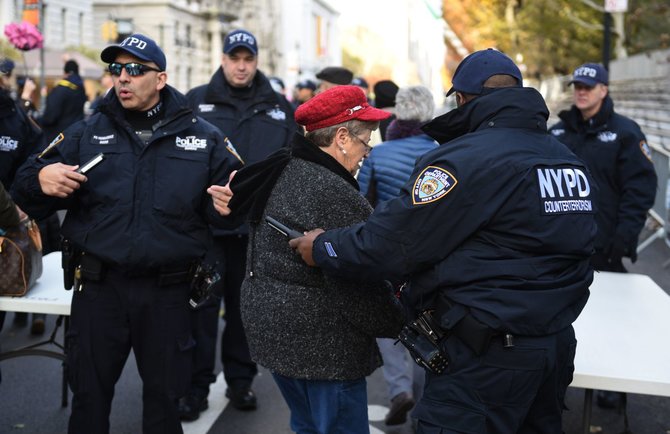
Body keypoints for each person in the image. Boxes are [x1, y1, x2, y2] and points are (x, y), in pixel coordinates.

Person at [289, 49, 597, 433]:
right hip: (552, 347)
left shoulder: (466, 159)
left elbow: (392, 243)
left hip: (485, 358)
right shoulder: (566, 159)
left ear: (464, 99)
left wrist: (322, 247)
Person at [11, 33, 242, 434]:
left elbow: (231, 205)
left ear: (161, 78)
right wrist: (41, 179)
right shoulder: (85, 131)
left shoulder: (202, 136)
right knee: (88, 401)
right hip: (99, 290)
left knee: (164, 405)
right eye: (116, 69)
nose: (123, 78)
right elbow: (26, 184)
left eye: (135, 70)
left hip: (168, 294)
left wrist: (229, 206)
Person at [226, 84, 404, 433]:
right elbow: (358, 282)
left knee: (307, 425)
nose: (368, 150)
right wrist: (397, 319)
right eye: (366, 138)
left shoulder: (284, 167)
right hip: (325, 346)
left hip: (276, 332)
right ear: (341, 137)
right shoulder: (334, 190)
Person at [183, 28, 296, 418]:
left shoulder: (281, 107)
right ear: (223, 58)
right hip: (205, 230)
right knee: (199, 311)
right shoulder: (195, 102)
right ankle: (194, 387)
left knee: (244, 311)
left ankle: (241, 381)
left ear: (257, 61)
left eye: (248, 59)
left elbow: (292, 167)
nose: (242, 66)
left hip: (255, 231)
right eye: (235, 58)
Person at [549, 62, 657, 410]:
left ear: (603, 90)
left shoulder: (626, 133)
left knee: (614, 326)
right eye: (577, 85)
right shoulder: (557, 133)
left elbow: (639, 190)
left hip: (605, 248)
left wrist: (624, 238)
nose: (581, 91)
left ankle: (613, 386)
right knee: (557, 316)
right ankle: (556, 381)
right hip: (559, 248)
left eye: (588, 86)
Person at [357, 84, 438, 425]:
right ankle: (422, 398)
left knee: (389, 323)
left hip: (388, 251)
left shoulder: (380, 153)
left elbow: (360, 200)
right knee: (429, 325)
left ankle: (399, 390)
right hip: (432, 253)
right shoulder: (441, 151)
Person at [0, 57, 46, 335]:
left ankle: (29, 312)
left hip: (7, 225)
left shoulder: (15, 116)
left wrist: (20, 206)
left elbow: (33, 163)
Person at [36, 59, 87, 142]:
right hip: (76, 136)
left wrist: (38, 120)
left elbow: (49, 118)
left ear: (65, 73)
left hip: (59, 139)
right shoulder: (81, 89)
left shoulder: (61, 89)